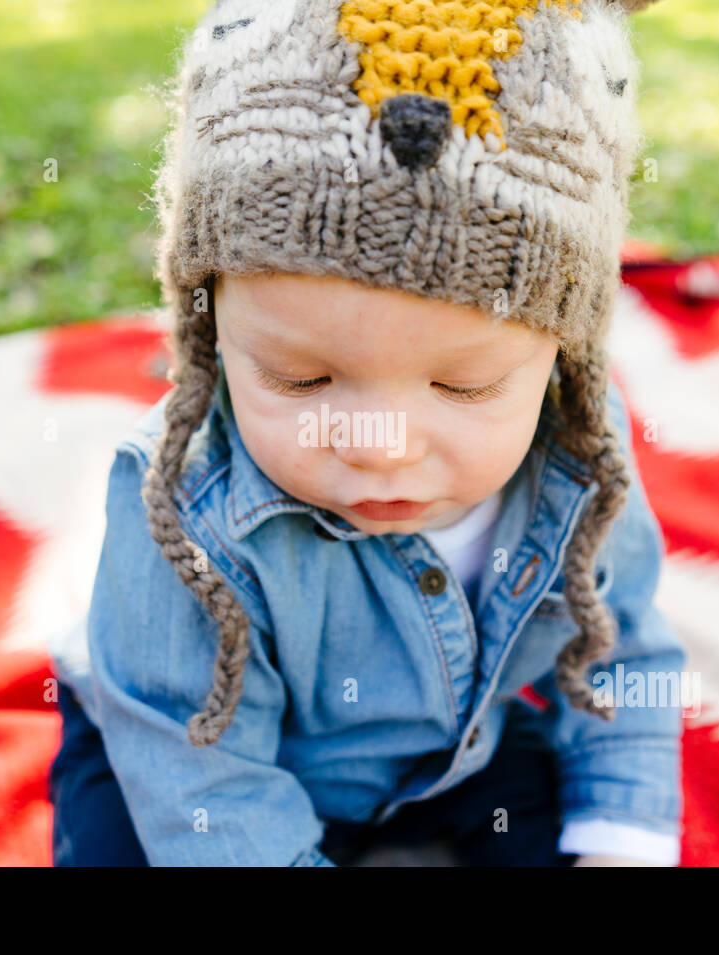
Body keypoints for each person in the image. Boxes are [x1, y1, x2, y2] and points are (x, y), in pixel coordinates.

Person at [48, 0, 684, 866]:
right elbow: (201, 770)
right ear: (212, 334)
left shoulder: (581, 458)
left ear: (560, 355)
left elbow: (620, 647)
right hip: (196, 759)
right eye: (300, 379)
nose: (379, 442)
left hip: (451, 762)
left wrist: (621, 835)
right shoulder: (185, 511)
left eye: (465, 385)